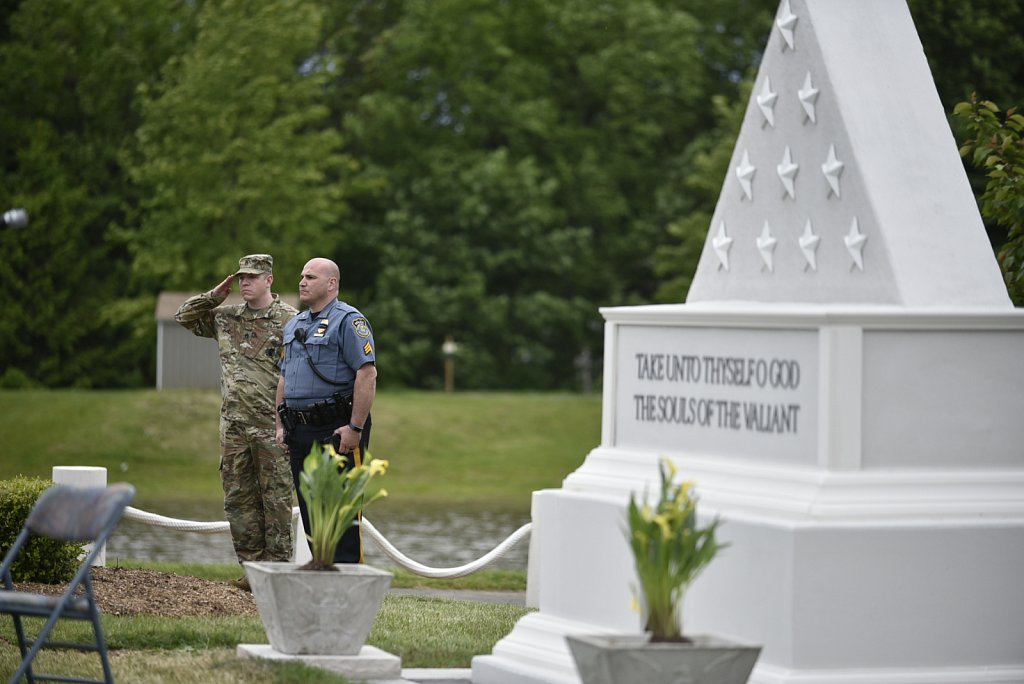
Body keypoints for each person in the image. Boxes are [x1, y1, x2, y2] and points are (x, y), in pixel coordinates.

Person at [175, 254, 298, 590]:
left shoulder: (291, 320)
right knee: (238, 502)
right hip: (234, 429)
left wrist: (287, 423)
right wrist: (214, 295)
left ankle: (278, 574)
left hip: (272, 427)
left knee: (275, 502)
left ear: (269, 280)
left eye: (253, 277)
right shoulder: (226, 318)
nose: (245, 283)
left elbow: (302, 372)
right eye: (242, 277)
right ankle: (253, 572)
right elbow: (184, 316)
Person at [275, 257, 377, 564]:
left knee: (340, 514)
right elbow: (284, 376)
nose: (302, 282)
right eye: (301, 276)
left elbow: (367, 373)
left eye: (310, 277)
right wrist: (280, 425)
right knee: (310, 511)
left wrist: (355, 427)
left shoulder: (349, 320)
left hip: (336, 429)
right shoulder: (295, 324)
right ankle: (321, 582)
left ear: (331, 283)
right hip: (299, 430)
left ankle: (348, 586)